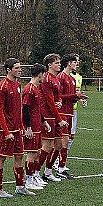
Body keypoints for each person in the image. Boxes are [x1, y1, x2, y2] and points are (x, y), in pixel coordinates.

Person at [0, 58, 26, 198]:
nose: (20, 70)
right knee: (1, 157)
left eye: (20, 67)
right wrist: (6, 131)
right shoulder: (3, 86)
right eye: (17, 68)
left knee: (19, 156)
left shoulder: (17, 84)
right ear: (8, 70)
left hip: (16, 129)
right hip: (5, 130)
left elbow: (18, 109)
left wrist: (22, 126)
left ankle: (20, 186)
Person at [55, 54, 88, 179]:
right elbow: (59, 97)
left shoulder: (72, 79)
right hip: (61, 113)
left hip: (70, 113)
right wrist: (74, 95)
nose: (77, 64)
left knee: (66, 140)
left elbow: (71, 98)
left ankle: (61, 167)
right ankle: (58, 167)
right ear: (69, 63)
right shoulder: (61, 77)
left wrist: (78, 97)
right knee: (60, 141)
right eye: (75, 62)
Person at [38, 53, 69, 183]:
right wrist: (59, 119)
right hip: (48, 115)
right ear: (49, 65)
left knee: (59, 144)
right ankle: (35, 173)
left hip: (56, 114)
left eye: (59, 62)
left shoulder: (56, 79)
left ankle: (48, 172)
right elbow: (49, 100)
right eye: (57, 63)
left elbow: (58, 96)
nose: (59, 65)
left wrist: (60, 101)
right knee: (47, 145)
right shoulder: (46, 79)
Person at [22, 63, 50, 193]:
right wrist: (27, 127)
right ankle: (28, 181)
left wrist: (44, 122)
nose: (44, 77)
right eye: (43, 74)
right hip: (32, 127)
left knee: (37, 152)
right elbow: (25, 109)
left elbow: (37, 109)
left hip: (38, 125)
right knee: (32, 154)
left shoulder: (36, 88)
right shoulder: (29, 89)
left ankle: (32, 177)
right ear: (40, 74)